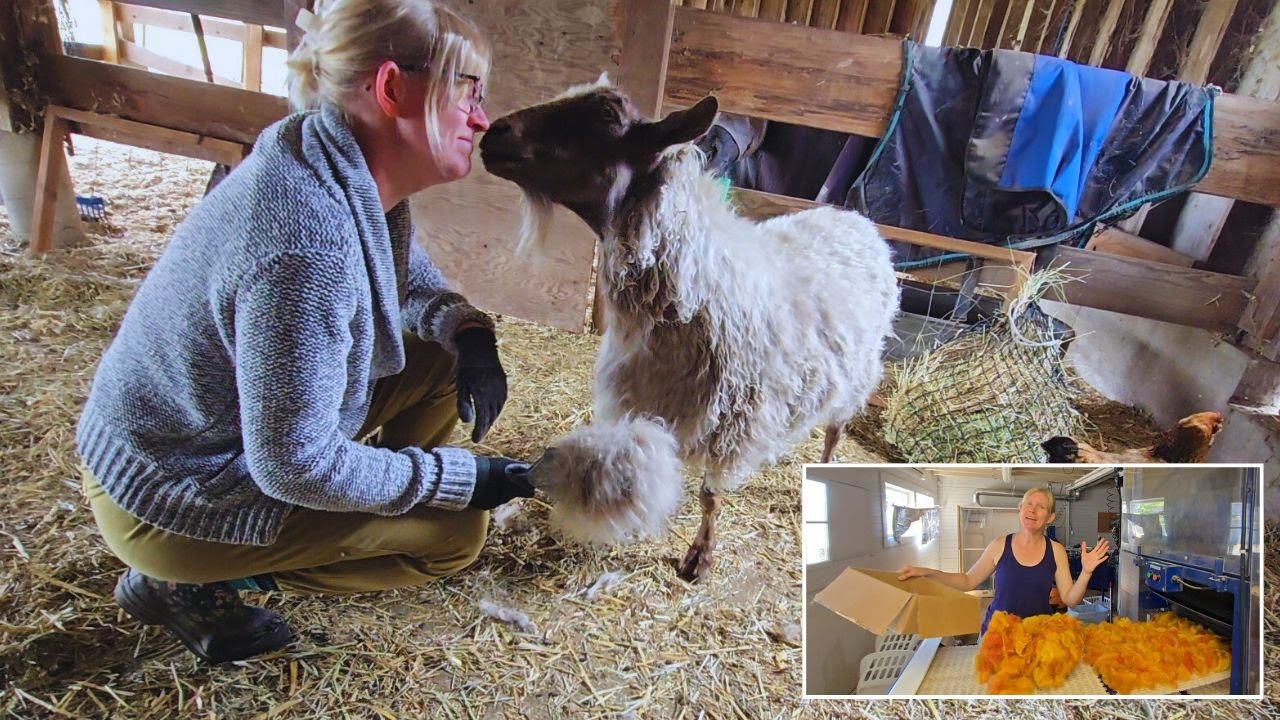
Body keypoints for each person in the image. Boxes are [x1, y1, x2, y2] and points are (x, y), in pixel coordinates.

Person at [75, 0, 532, 664]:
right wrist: (449, 480)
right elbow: (295, 464)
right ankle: (188, 580)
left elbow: (395, 270)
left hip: (180, 443)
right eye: (467, 92)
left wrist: (468, 333)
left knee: (436, 356)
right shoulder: (304, 248)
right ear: (392, 89)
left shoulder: (320, 153)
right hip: (169, 492)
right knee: (454, 536)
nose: (481, 118)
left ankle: (365, 497)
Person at [897, 487, 1109, 635]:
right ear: (1020, 508)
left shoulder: (1056, 550)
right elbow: (967, 581)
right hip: (997, 635)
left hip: (1038, 634)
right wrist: (928, 573)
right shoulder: (999, 545)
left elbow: (1070, 600)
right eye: (1028, 504)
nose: (1032, 510)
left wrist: (1086, 572)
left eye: (1041, 507)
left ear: (1050, 517)